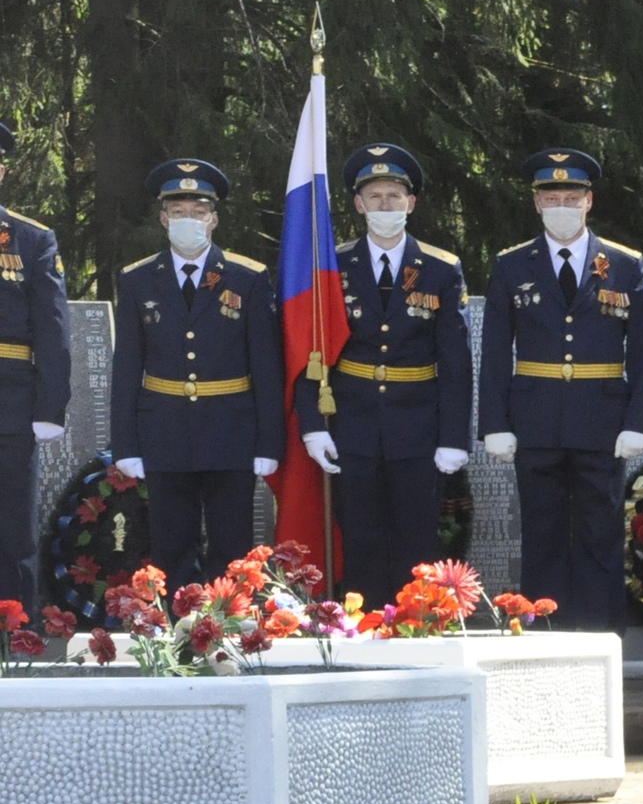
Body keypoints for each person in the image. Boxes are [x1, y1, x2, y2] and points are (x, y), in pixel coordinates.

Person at [477, 149, 643, 631]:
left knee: (600, 535)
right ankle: (544, 640)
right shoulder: (513, 265)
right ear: (536, 203)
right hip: (535, 421)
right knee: (542, 535)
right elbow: (495, 352)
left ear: (588, 201)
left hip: (602, 422)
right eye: (551, 196)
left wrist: (638, 420)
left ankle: (600, 641)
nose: (561, 204)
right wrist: (494, 423)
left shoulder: (624, 264)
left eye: (570, 196)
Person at [293, 142, 472, 609]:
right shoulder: (332, 267)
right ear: (358, 204)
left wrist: (454, 436)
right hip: (352, 422)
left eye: (394, 196)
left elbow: (455, 361)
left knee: (418, 539)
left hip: (418, 425)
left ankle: (418, 628)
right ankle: (365, 632)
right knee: (362, 537)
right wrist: (312, 424)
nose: (385, 206)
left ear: (411, 204)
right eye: (375, 197)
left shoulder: (440, 269)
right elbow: (311, 349)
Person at [108, 160, 283, 584]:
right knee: (170, 542)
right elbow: (127, 366)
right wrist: (125, 445)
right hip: (164, 428)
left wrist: (269, 442)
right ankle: (179, 630)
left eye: (199, 211)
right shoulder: (138, 279)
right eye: (180, 211)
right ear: (164, 218)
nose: (190, 220)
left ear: (215, 219)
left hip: (231, 429)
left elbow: (266, 366)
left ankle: (231, 627)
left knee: (232, 542)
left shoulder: (247, 277)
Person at [0, 118, 71, 611]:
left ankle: (14, 636)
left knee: (11, 530)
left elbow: (53, 328)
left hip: (9, 404)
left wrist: (50, 407)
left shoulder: (30, 239)